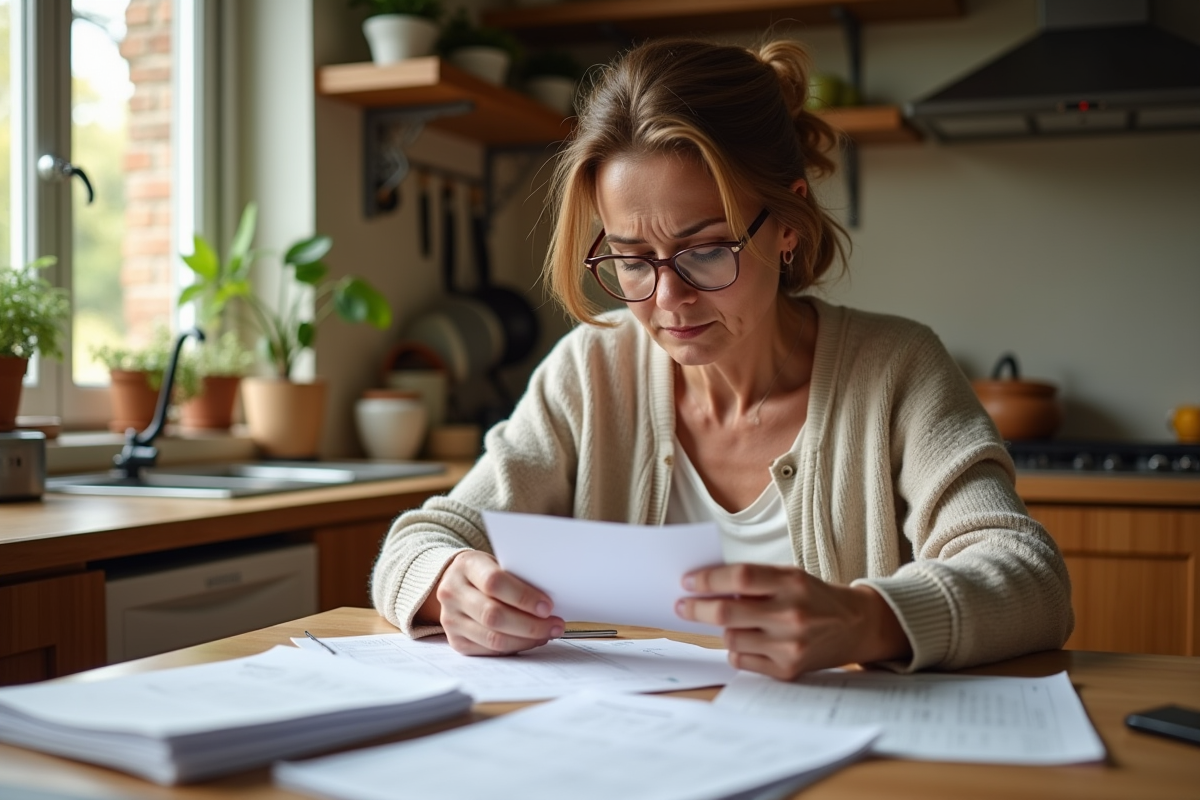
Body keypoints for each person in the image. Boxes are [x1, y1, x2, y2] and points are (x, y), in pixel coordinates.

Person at [372, 38, 1073, 679]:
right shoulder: (589, 371)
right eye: (632, 259)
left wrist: (866, 621)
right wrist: (449, 580)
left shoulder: (895, 370)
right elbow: (424, 538)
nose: (668, 298)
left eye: (706, 249)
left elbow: (1030, 577)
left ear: (789, 227)